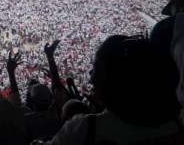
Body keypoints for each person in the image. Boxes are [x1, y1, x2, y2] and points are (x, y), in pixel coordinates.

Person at [49, 35, 183, 144]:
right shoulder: (176, 123)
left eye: (97, 69)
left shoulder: (84, 129)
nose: (91, 77)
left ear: (114, 79)